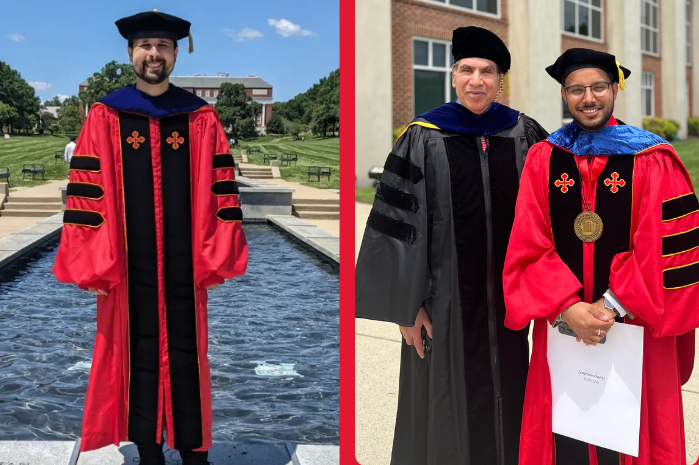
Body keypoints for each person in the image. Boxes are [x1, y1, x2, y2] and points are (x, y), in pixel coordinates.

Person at [52, 10, 248, 465]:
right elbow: (87, 194)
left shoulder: (200, 117)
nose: (154, 54)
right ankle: (147, 448)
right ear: (131, 53)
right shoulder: (105, 115)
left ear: (176, 54)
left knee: (188, 354)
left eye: (163, 46)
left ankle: (193, 448)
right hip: (127, 265)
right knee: (131, 349)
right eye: (146, 46)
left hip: (185, 267)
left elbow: (221, 188)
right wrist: (95, 262)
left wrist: (214, 255)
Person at [355, 26, 548, 465]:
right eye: (466, 70)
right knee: (441, 404)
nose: (476, 80)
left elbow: (549, 218)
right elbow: (396, 225)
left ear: (500, 80)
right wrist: (407, 308)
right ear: (454, 76)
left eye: (486, 71)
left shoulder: (528, 135)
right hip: (441, 307)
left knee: (513, 394)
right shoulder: (422, 137)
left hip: (510, 307)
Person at [503, 48, 699, 465]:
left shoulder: (652, 158)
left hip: (634, 325)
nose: (588, 98)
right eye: (576, 89)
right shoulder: (544, 157)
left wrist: (608, 306)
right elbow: (528, 240)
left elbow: (662, 245)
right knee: (563, 432)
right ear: (564, 95)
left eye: (597, 87)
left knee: (632, 434)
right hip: (563, 327)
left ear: (614, 89)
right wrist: (567, 307)